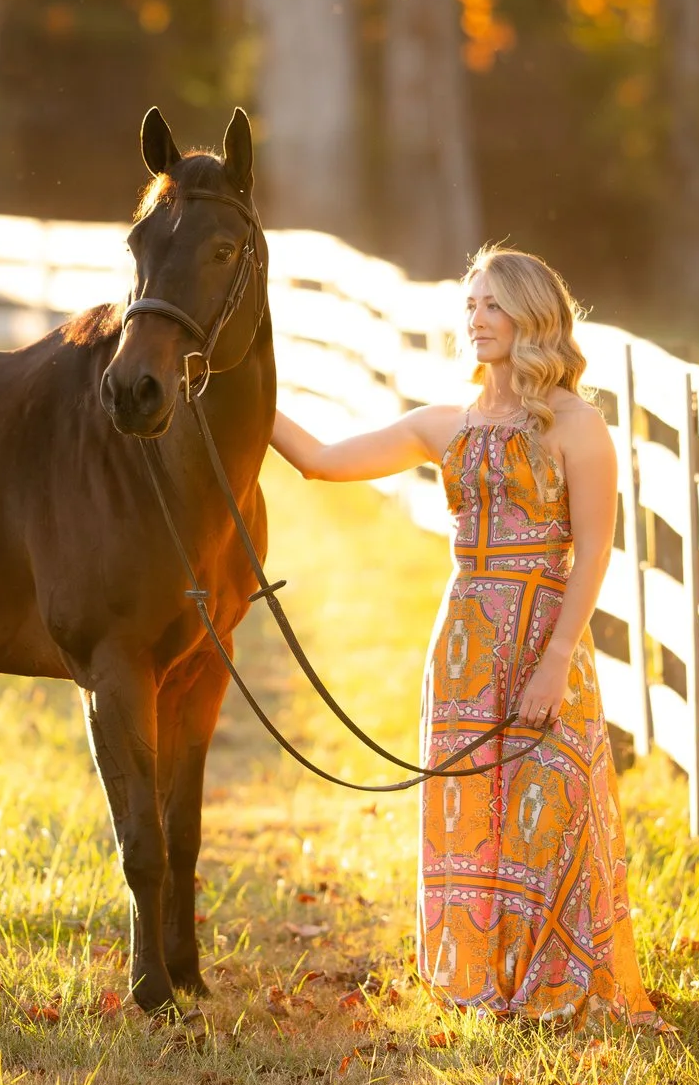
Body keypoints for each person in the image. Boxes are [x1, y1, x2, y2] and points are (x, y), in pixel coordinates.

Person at [266, 246, 655, 1028]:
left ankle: (556, 980)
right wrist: (244, 393)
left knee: (553, 806)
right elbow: (319, 461)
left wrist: (553, 663)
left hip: (549, 640)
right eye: (470, 306)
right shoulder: (445, 424)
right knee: (470, 811)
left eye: (493, 305)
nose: (476, 320)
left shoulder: (581, 428)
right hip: (464, 649)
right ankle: (477, 980)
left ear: (533, 317)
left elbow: (594, 553)